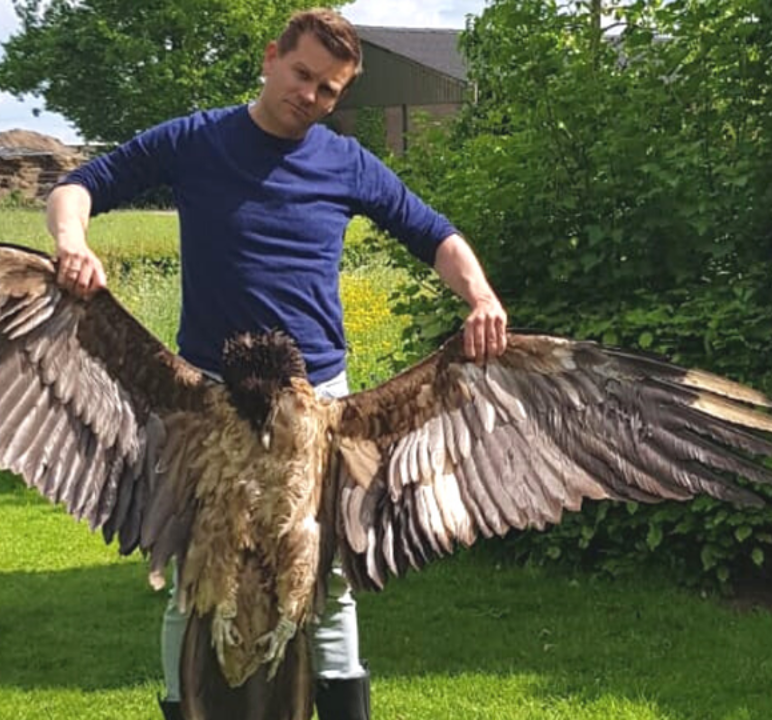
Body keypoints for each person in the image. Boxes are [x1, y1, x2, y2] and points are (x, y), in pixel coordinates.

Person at [45, 9, 507, 720]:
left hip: (317, 404)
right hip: (207, 404)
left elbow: (434, 233)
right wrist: (71, 242)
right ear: (271, 58)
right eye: (302, 75)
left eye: (328, 90)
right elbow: (79, 186)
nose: (310, 95)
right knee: (197, 577)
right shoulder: (195, 141)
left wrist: (480, 296)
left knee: (326, 579)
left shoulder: (346, 162)